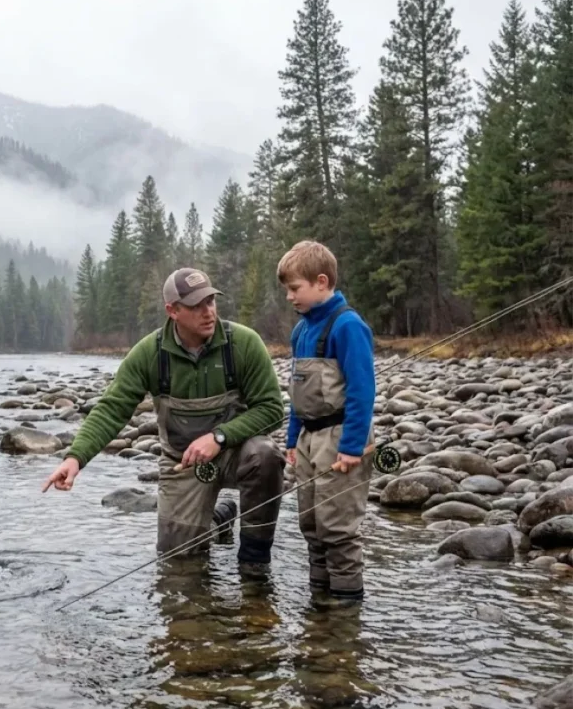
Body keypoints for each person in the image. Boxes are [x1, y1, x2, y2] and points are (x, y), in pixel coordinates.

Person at [42, 267, 286, 575]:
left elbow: (272, 408)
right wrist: (75, 458)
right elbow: (112, 408)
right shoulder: (149, 353)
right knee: (178, 563)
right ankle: (218, 520)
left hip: (235, 454)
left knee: (265, 455)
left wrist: (220, 437)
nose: (208, 312)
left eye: (211, 301)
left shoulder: (244, 344)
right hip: (182, 464)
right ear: (173, 311)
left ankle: (254, 561)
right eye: (196, 306)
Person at [277, 240, 376, 602]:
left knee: (337, 528)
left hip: (340, 439)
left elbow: (363, 392)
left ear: (321, 282)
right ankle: (320, 600)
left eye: (295, 289)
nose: (290, 297)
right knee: (311, 524)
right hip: (307, 437)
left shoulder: (348, 326)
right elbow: (297, 390)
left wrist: (353, 447)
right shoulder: (300, 331)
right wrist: (291, 438)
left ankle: (345, 610)